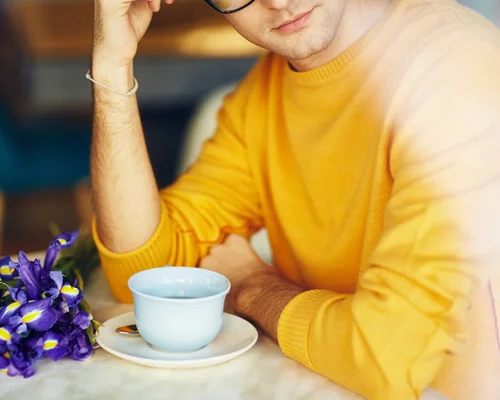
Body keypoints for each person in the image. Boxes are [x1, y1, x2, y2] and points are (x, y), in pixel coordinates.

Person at [88, 0, 500, 398]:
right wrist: (112, 70)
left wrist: (254, 286)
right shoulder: (262, 100)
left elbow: (384, 355)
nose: (278, 1)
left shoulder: (455, 67)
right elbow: (145, 277)